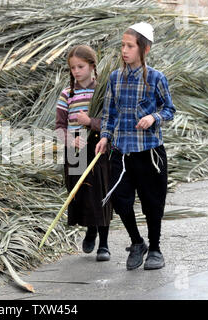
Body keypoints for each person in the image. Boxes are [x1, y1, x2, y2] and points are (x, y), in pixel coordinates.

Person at [95, 22, 176, 270]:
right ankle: (136, 241)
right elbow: (109, 113)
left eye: (130, 46)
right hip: (121, 152)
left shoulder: (156, 78)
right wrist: (105, 136)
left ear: (145, 49)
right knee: (119, 200)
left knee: (153, 203)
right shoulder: (115, 78)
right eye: (123, 45)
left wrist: (154, 117)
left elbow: (169, 109)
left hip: (149, 152)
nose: (125, 51)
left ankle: (155, 248)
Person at [56, 45, 113, 262]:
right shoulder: (66, 94)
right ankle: (91, 230)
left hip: (98, 147)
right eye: (72, 68)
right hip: (76, 152)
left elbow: (110, 121)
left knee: (101, 192)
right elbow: (59, 127)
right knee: (81, 193)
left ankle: (104, 243)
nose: (76, 71)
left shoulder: (101, 91)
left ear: (92, 66)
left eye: (81, 66)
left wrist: (90, 122)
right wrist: (72, 142)